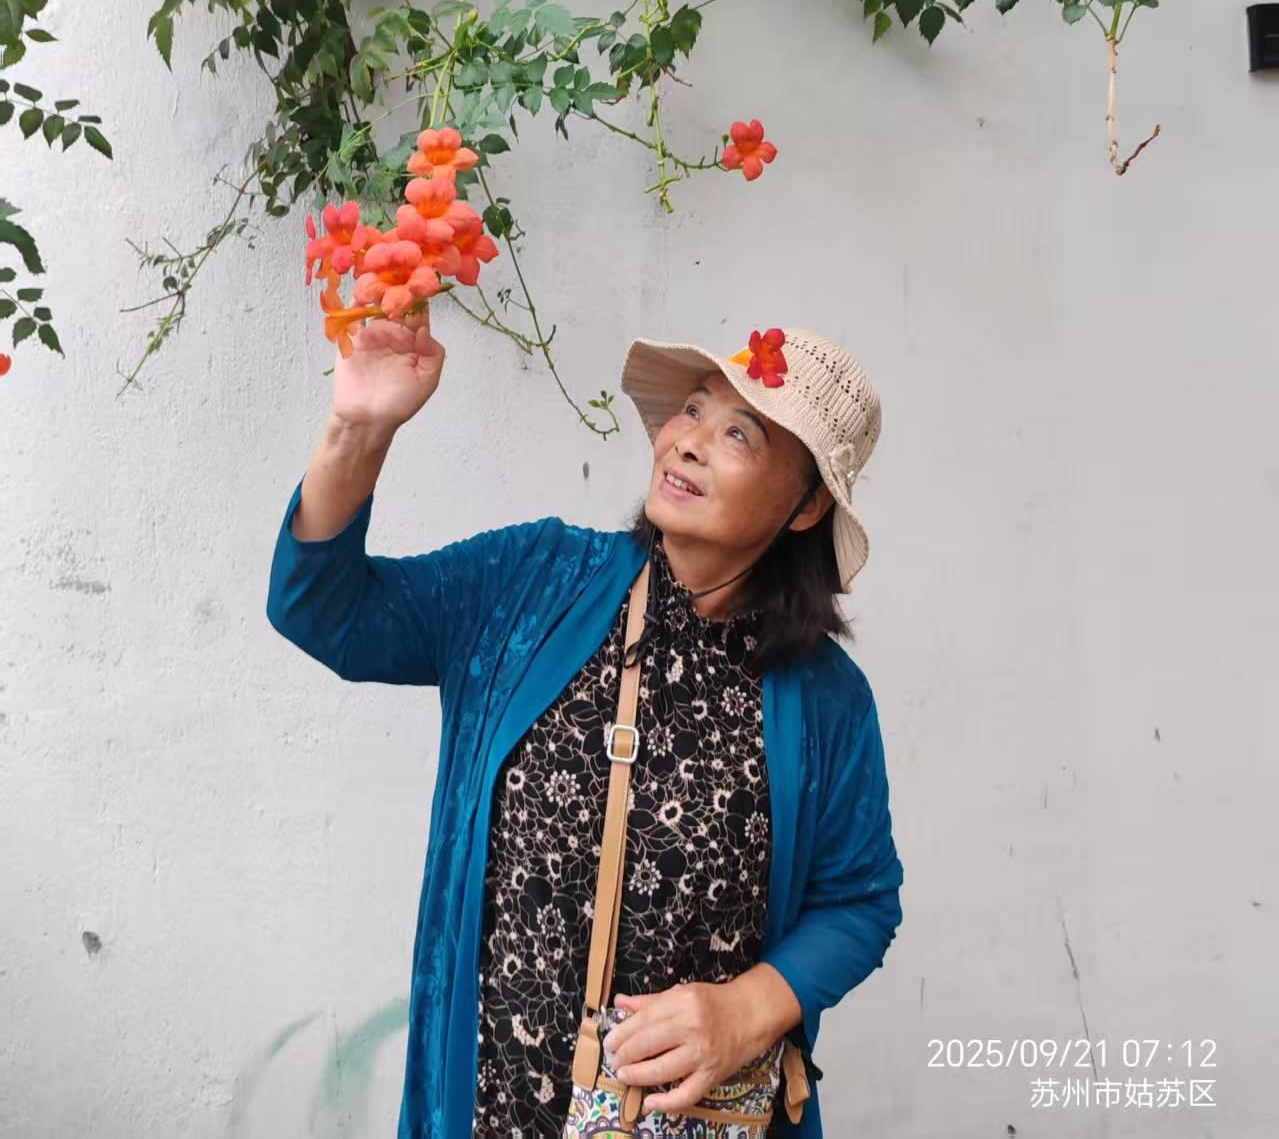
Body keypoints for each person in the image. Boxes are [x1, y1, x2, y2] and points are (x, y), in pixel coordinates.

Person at [267, 311, 904, 1137]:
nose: (688, 441)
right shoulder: (533, 581)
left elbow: (858, 902)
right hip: (494, 1109)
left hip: (684, 1119)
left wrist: (747, 1009)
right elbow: (326, 612)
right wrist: (359, 427)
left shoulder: (824, 698)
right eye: (692, 409)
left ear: (807, 504)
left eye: (738, 434)